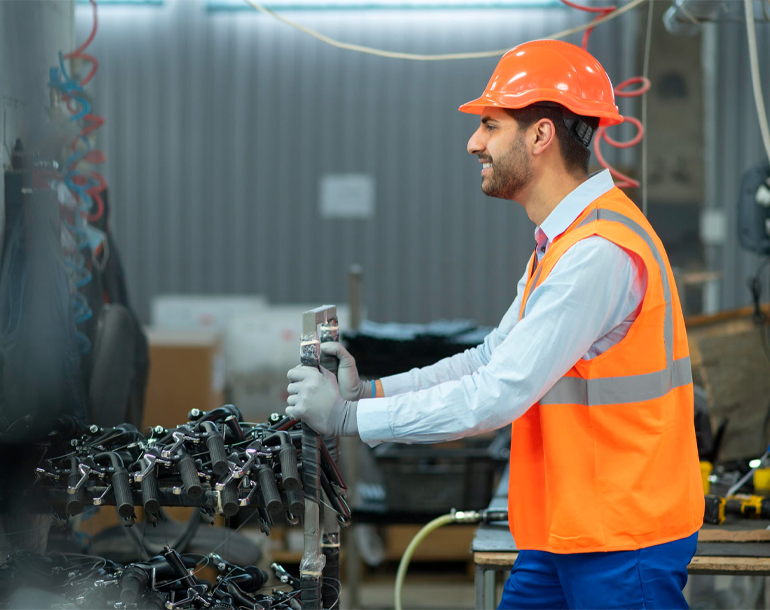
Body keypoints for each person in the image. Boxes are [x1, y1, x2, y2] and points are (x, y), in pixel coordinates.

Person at [286, 39, 704, 609]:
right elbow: (490, 359)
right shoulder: (562, 245)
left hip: (620, 538)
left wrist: (350, 417)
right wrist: (373, 389)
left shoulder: (596, 254)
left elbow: (496, 394)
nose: (473, 142)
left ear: (540, 136)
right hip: (569, 526)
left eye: (489, 124)